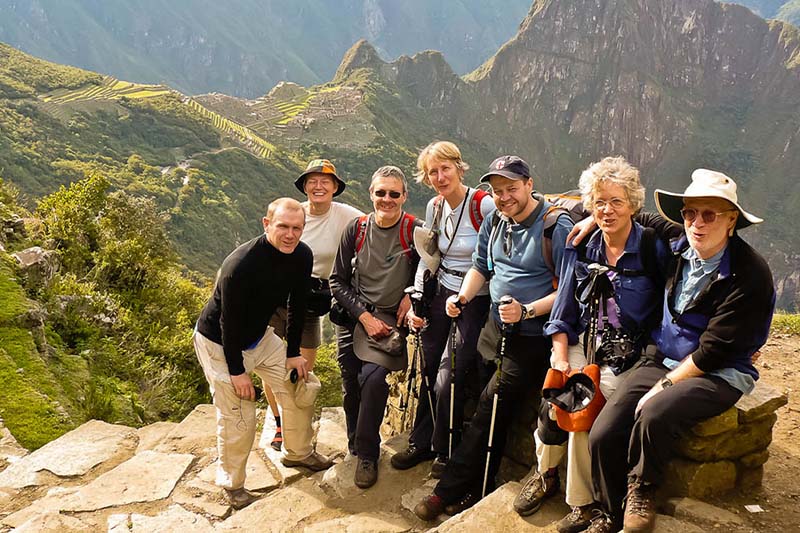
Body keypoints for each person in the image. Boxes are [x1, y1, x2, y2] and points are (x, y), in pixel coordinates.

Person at [586, 169, 775, 533]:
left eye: (710, 214)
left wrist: (666, 385)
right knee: (603, 432)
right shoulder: (678, 243)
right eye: (689, 213)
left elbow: (714, 352)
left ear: (732, 220)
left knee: (655, 412)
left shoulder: (749, 274)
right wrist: (581, 221)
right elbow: (630, 213)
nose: (697, 223)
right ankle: (606, 512)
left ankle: (642, 490)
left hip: (719, 371)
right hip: (662, 355)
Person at [512, 156, 673, 533]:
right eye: (599, 202)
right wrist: (558, 351)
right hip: (585, 342)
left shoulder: (651, 249)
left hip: (629, 355)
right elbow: (564, 307)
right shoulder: (581, 246)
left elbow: (670, 305)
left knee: (587, 409)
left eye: (617, 201)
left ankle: (584, 504)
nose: (607, 210)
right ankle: (545, 473)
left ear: (633, 204)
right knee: (555, 394)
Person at [414, 155, 575, 520]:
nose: (504, 197)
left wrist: (528, 310)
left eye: (511, 189)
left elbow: (567, 290)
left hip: (532, 335)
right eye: (498, 191)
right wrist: (463, 297)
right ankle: (480, 481)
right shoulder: (494, 219)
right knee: (485, 401)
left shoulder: (555, 227)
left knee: (490, 404)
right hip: (493, 327)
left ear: (529, 185)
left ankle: (449, 490)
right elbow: (481, 267)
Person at [194, 198, 333, 510]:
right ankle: (233, 484)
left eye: (297, 228)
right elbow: (227, 322)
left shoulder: (301, 255)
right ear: (266, 224)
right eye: (283, 226)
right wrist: (237, 372)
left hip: (260, 336)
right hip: (220, 342)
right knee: (239, 415)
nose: (290, 234)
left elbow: (298, 304)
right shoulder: (240, 265)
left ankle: (298, 452)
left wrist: (294, 353)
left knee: (299, 384)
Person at [391, 141, 494, 478]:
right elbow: (430, 255)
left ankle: (447, 449)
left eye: (444, 168)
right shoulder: (436, 207)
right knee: (427, 367)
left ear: (459, 168)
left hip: (476, 298)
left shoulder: (483, 205)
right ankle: (422, 442)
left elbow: (512, 230)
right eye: (432, 172)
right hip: (441, 293)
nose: (439, 176)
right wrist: (419, 296)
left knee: (450, 374)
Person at [330, 165, 422, 489]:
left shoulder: (414, 231)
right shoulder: (356, 229)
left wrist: (413, 295)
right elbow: (337, 282)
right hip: (355, 315)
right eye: (380, 192)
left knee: (373, 379)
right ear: (370, 193)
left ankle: (368, 454)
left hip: (388, 321)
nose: (386, 199)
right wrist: (362, 316)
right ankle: (355, 443)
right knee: (350, 381)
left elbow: (430, 270)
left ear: (404, 197)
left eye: (393, 193)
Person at [266, 159, 363, 450]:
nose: (318, 186)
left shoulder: (346, 216)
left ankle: (298, 419)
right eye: (312, 181)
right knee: (270, 364)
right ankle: (281, 424)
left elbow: (381, 225)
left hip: (311, 302)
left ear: (335, 187)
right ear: (304, 186)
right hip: (276, 298)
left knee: (303, 368)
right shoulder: (294, 214)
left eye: (325, 181)